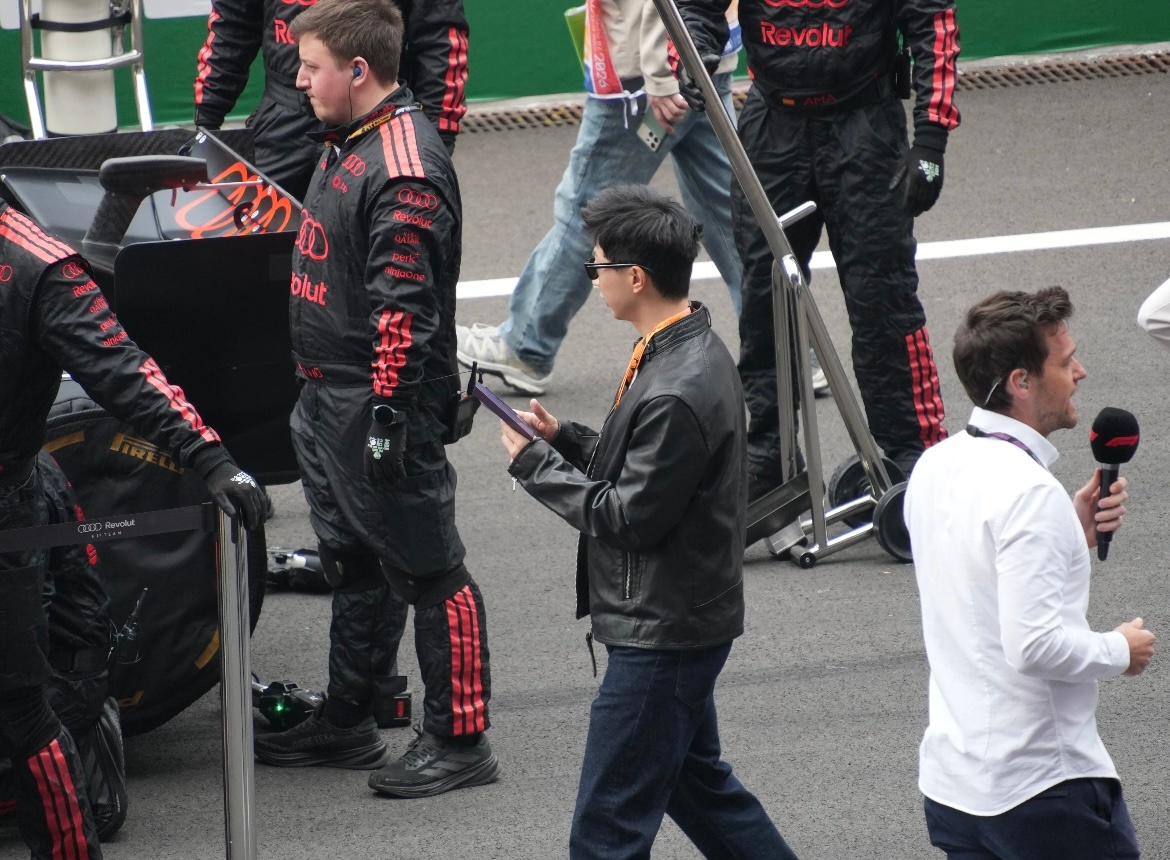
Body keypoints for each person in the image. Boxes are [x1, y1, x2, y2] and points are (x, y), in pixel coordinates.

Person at [500, 184, 799, 859]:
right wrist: (566, 439)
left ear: (634, 277)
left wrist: (533, 465)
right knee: (700, 790)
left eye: (597, 266)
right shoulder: (685, 350)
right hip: (680, 618)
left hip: (661, 635)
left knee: (606, 830)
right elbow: (649, 469)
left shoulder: (674, 386)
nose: (593, 279)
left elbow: (627, 515)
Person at [253, 0, 498, 800]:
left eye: (311, 67)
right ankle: (350, 719)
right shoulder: (346, 140)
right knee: (354, 562)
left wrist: (389, 418)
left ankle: (461, 740)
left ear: (358, 71)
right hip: (327, 396)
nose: (297, 81)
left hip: (376, 403)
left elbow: (405, 310)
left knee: (431, 569)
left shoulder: (403, 166)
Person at [0, 200, 267, 860]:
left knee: (35, 691)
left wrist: (208, 456)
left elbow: (122, 368)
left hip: (13, 498)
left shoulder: (37, 266)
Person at [905, 286, 1152, 859]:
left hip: (955, 789)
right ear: (1021, 381)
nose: (1080, 373)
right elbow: (1034, 646)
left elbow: (972, 577)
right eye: (1065, 363)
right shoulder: (1029, 492)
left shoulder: (934, 465)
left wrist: (1069, 531)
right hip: (1042, 792)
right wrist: (1120, 649)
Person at [676, 0, 957, 495]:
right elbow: (694, 8)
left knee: (883, 302)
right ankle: (770, 456)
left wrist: (931, 140)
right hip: (772, 128)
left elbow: (932, 21)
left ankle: (912, 456)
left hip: (866, 128)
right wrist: (691, 54)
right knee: (765, 305)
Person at [455, 0, 748, 397]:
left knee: (586, 211)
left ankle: (525, 345)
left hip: (645, 73)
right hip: (704, 55)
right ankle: (789, 348)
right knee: (733, 217)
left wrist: (662, 74)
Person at [193, 0, 468, 200]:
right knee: (257, 238)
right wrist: (207, 120)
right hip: (281, 124)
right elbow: (232, 26)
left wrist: (437, 138)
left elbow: (439, 39)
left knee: (379, 236)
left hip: (374, 122)